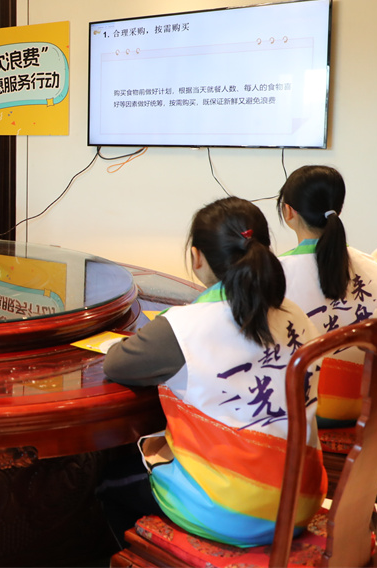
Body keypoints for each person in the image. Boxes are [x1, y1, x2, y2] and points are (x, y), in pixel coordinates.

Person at [102, 197, 324, 548]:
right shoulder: (295, 314)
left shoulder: (183, 327)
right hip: (302, 500)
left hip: (229, 510)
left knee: (108, 483)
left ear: (197, 257)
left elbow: (115, 364)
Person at [277, 165, 377, 426]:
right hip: (363, 406)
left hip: (301, 410)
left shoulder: (276, 273)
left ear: (288, 212)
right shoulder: (375, 268)